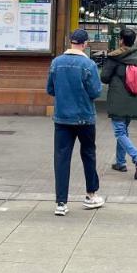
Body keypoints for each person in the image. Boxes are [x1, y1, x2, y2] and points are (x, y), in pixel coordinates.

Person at [46, 29, 105, 215]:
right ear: (85, 44)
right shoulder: (89, 65)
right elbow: (96, 92)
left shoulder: (56, 63)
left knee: (61, 158)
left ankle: (61, 203)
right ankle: (91, 195)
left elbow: (50, 89)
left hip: (62, 117)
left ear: (71, 42)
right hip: (85, 117)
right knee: (88, 154)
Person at [100, 28, 137, 178]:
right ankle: (120, 162)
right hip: (134, 98)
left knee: (119, 131)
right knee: (124, 130)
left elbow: (104, 77)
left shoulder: (115, 56)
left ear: (121, 40)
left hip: (118, 98)